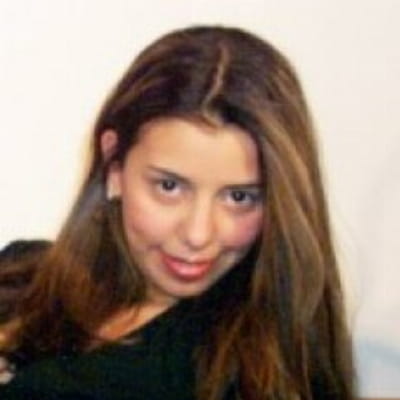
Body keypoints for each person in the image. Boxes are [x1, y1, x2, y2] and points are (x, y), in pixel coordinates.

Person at [0, 26, 355, 399]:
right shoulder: (21, 273)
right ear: (114, 163)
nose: (198, 235)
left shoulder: (237, 378)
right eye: (169, 187)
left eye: (239, 197)